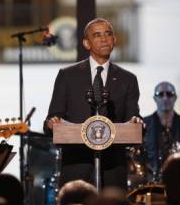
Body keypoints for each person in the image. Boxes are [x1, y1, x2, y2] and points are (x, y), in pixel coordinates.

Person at [44, 18, 142, 189]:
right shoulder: (67, 76)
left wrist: (137, 122)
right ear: (86, 43)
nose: (104, 39)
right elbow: (52, 118)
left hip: (112, 170)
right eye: (97, 35)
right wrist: (52, 123)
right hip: (76, 169)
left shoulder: (128, 79)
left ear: (114, 40)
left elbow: (133, 119)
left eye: (108, 34)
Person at [143, 81, 180, 182]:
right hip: (150, 180)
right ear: (155, 98)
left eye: (169, 94)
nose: (165, 98)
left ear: (175, 98)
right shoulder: (144, 124)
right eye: (160, 94)